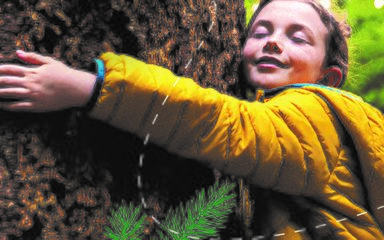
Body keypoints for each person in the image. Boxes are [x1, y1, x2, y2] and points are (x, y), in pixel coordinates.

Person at [0, 0, 383, 238]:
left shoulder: (318, 112)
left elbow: (225, 126)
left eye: (298, 38)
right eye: (261, 31)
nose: (272, 41)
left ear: (327, 77)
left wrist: (87, 86)